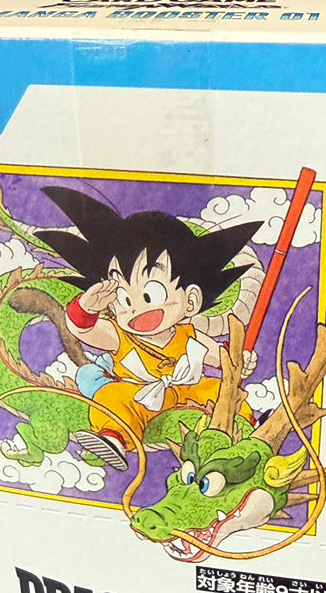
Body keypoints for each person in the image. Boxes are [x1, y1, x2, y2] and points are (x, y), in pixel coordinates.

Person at [35, 186, 260, 469]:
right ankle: (114, 438)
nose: (136, 309)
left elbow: (221, 358)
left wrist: (240, 362)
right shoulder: (120, 335)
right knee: (111, 396)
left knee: (219, 390)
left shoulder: (190, 335)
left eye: (150, 295)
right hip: (138, 395)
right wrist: (87, 308)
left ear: (190, 301)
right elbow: (83, 330)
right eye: (124, 299)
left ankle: (250, 424)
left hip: (187, 392)